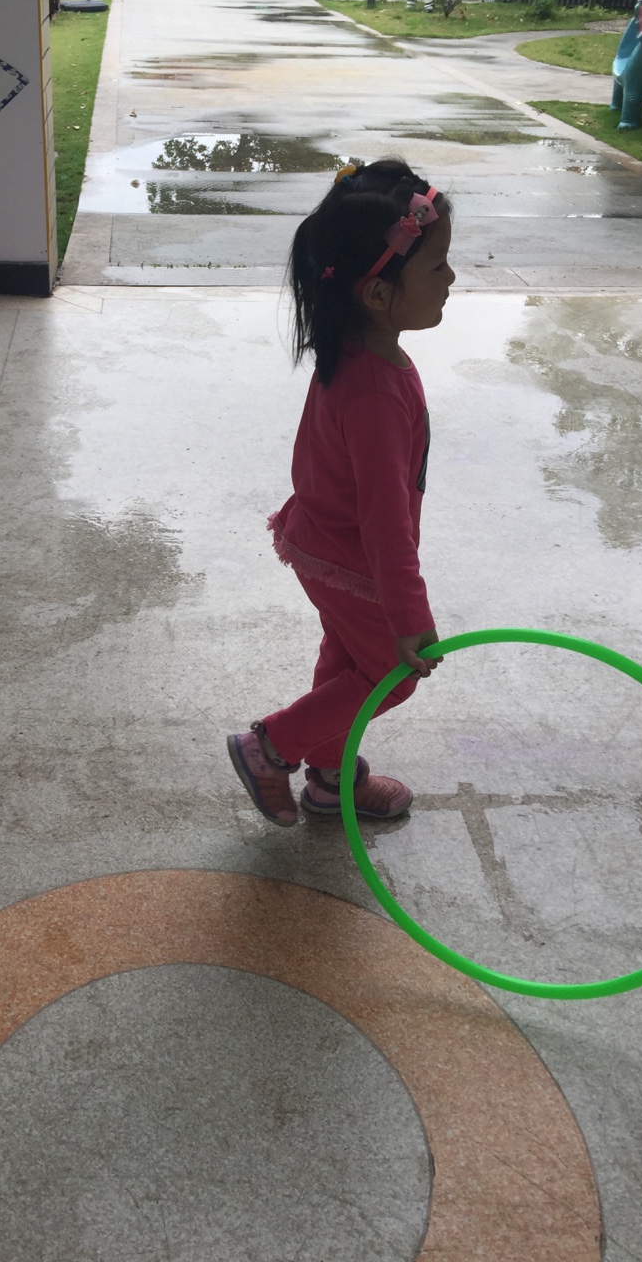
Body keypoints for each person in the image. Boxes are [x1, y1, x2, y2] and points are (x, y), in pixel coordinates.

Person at [227, 159, 454, 827]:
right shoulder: (375, 391)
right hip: (351, 558)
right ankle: (270, 747)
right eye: (437, 265)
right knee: (391, 674)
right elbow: (385, 520)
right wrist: (409, 614)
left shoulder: (358, 352)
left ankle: (331, 779)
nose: (450, 279)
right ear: (378, 294)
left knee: (348, 662)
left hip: (321, 540)